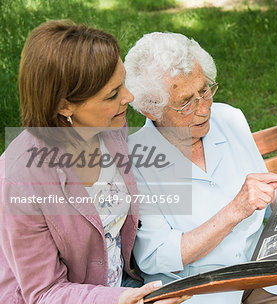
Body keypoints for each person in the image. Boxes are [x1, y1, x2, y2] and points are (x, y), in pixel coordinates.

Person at [125, 32, 277, 303]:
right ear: (150, 109)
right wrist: (234, 211)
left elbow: (264, 198)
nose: (204, 109)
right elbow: (155, 257)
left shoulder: (229, 118)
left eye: (204, 91)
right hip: (198, 293)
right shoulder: (136, 158)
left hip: (261, 273)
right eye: (185, 102)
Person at [0, 20, 187, 304]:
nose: (128, 97)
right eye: (112, 94)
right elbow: (44, 292)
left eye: (122, 83)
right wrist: (122, 300)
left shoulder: (109, 129)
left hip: (123, 286)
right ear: (64, 106)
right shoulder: (20, 180)